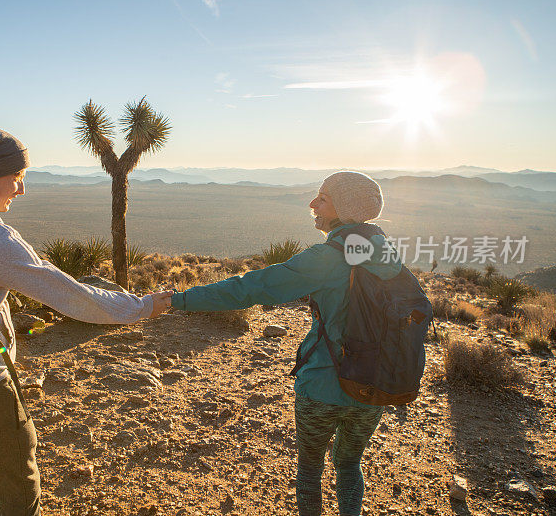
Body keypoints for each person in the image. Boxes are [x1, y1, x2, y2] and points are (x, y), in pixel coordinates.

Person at [0, 126, 172, 516]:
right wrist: (142, 306)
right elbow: (72, 297)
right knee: (20, 495)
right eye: (17, 177)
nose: (21, 189)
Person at [168, 171, 401, 516]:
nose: (312, 204)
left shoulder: (328, 256)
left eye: (322, 198)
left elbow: (252, 287)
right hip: (375, 388)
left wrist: (178, 300)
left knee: (309, 470)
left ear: (346, 208)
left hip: (323, 385)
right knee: (350, 464)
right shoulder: (388, 254)